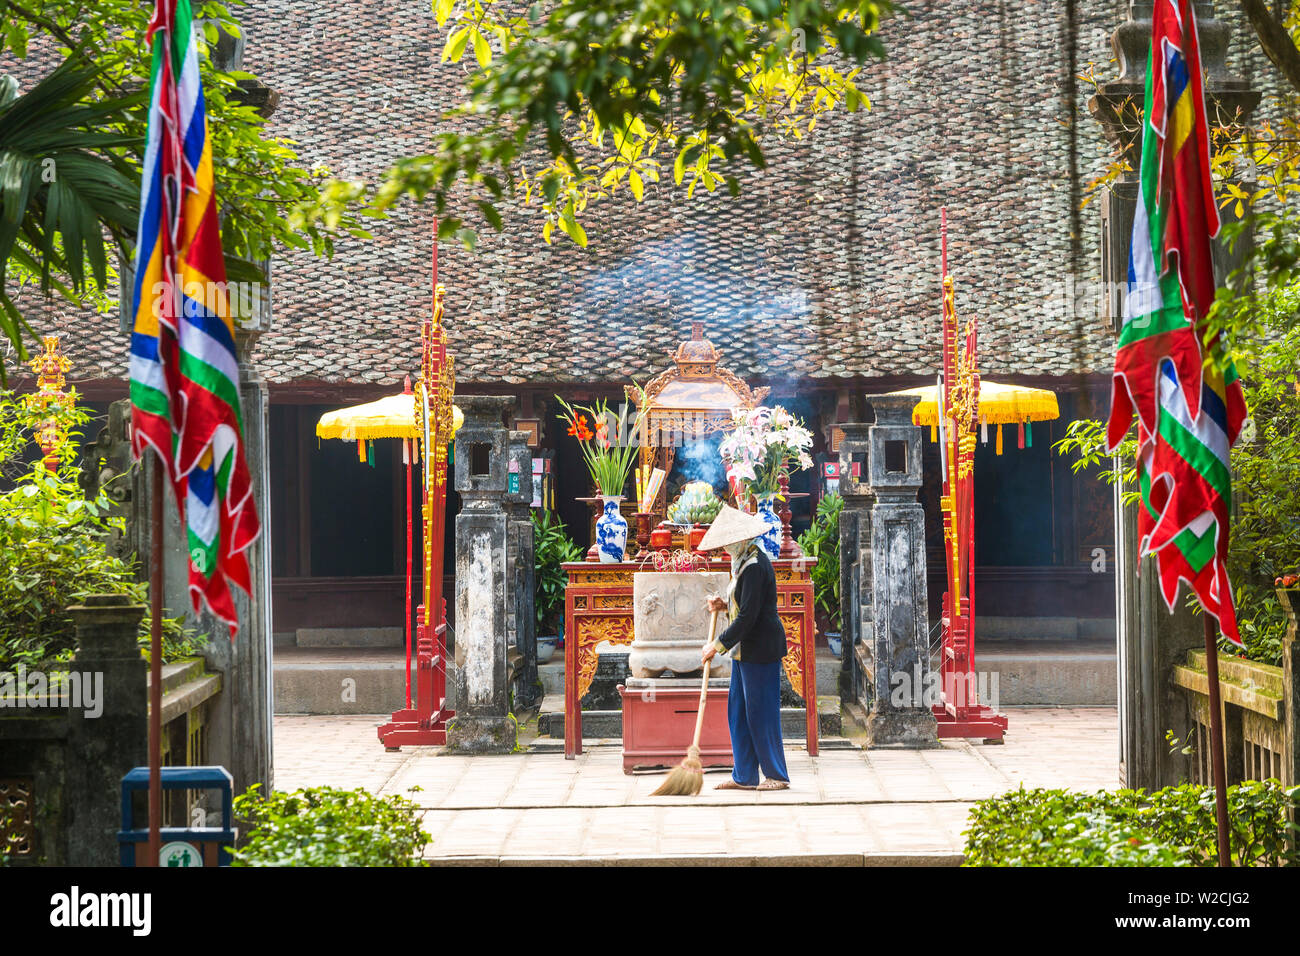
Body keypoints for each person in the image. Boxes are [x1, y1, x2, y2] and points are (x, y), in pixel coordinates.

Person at [698, 505, 791, 791]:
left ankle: (776, 775)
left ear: (741, 540)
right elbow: (744, 604)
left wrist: (717, 644)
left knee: (761, 712)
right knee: (738, 711)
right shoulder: (741, 563)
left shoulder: (754, 565)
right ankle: (745, 775)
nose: (726, 548)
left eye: (729, 542)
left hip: (760, 648)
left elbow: (750, 616)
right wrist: (723, 604)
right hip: (744, 651)